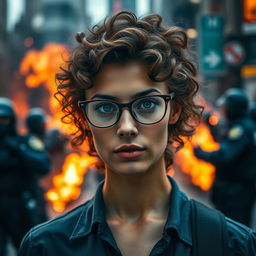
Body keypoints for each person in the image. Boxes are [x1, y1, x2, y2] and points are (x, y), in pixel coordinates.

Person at [18, 11, 256, 256]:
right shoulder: (46, 247)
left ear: (173, 111)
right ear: (84, 119)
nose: (127, 127)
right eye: (105, 108)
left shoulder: (233, 245)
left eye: (147, 105)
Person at [193, 88, 256, 227]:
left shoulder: (242, 129)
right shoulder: (238, 125)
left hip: (236, 193)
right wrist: (210, 124)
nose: (223, 110)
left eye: (225, 107)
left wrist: (200, 153)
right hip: (232, 191)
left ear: (233, 109)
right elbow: (225, 142)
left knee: (235, 231)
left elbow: (224, 156)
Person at [0, 98, 50, 255]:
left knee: (28, 248)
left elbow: (43, 165)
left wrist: (19, 150)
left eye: (5, 119)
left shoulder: (25, 141)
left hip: (21, 207)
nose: (2, 124)